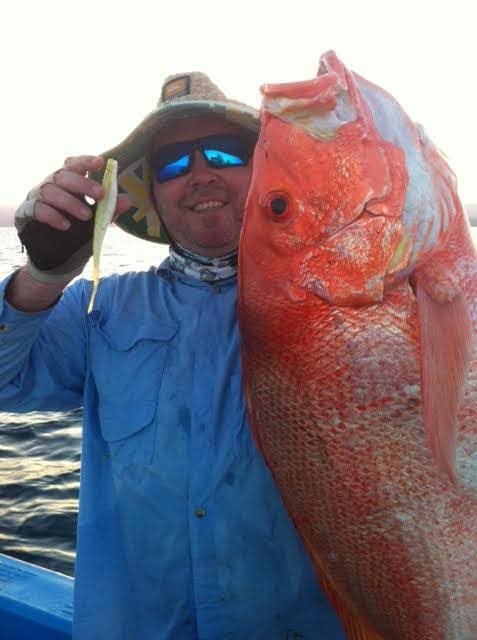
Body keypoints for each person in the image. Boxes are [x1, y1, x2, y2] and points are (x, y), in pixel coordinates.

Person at [0, 72, 346, 639]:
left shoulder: (341, 300)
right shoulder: (102, 310)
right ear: (152, 197)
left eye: (223, 152)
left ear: (265, 169)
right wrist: (41, 278)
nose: (201, 173)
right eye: (173, 165)